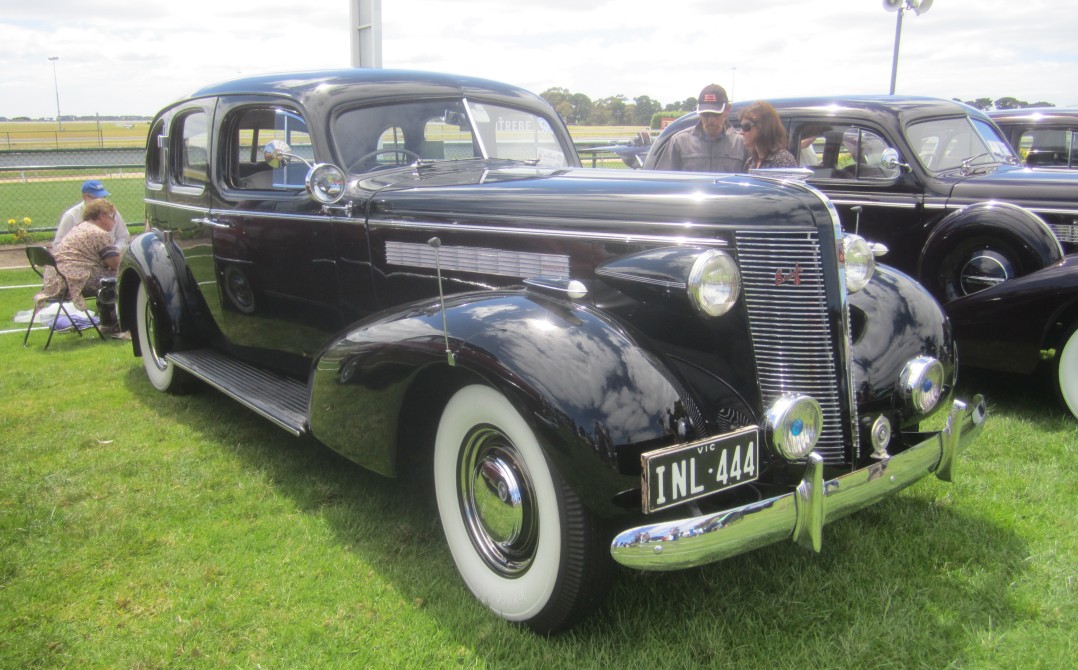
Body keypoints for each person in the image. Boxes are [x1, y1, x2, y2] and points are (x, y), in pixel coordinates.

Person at [35, 198, 124, 334]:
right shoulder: (98, 233)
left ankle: (108, 322)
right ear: (101, 216)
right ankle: (111, 324)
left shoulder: (79, 228)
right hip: (71, 280)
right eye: (112, 217)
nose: (115, 221)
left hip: (55, 280)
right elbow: (115, 264)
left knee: (109, 276)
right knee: (119, 278)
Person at [646, 84, 747, 173]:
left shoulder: (741, 144)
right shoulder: (680, 142)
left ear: (727, 110)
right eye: (705, 114)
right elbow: (665, 182)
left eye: (716, 114)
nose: (710, 120)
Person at [54, 180, 130, 251]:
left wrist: (113, 250)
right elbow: (58, 245)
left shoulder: (112, 212)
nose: (100, 201)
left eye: (103, 197)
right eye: (96, 198)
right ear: (84, 196)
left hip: (108, 258)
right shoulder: (71, 216)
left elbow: (124, 237)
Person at [740, 101, 798, 170]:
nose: (741, 132)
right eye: (741, 126)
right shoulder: (751, 162)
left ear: (762, 128)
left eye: (745, 127)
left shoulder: (783, 160)